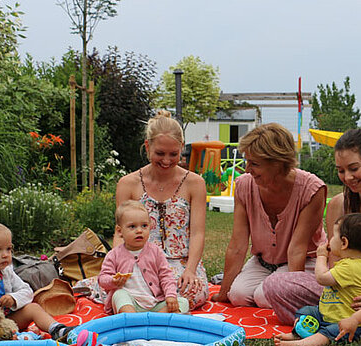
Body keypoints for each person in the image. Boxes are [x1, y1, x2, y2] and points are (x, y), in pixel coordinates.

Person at [263, 129, 361, 337]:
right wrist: (341, 293)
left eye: (354, 168)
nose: (347, 177)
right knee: (276, 284)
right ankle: (349, 324)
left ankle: (334, 323)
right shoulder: (339, 205)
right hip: (338, 292)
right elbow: (333, 263)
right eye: (340, 170)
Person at [211, 123, 327, 307]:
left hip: (305, 261)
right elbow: (237, 245)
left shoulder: (312, 189)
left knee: (264, 296)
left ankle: (308, 289)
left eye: (255, 164)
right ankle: (266, 284)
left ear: (278, 163)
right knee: (238, 295)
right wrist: (224, 292)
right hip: (263, 262)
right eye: (247, 161)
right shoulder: (244, 185)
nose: (247, 169)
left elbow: (297, 249)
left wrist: (290, 292)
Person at [115, 110, 208, 310]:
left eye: (174, 154)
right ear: (147, 146)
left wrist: (191, 270)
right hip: (137, 259)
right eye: (160, 153)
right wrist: (118, 265)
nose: (166, 160)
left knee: (189, 291)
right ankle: (160, 311)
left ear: (182, 148)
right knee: (123, 288)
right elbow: (120, 232)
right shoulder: (128, 183)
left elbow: (198, 233)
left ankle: (142, 310)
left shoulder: (195, 183)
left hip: (181, 263)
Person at [274, 213, 361, 346]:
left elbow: (322, 278)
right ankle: (297, 334)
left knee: (328, 333)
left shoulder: (351, 267)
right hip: (328, 314)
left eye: (333, 236)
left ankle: (297, 345)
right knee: (306, 311)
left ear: (344, 243)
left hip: (346, 322)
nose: (330, 240)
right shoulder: (347, 264)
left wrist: (321, 256)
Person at [98, 201, 183, 314]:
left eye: (144, 226)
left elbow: (166, 276)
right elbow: (102, 279)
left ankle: (153, 319)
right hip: (131, 304)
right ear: (119, 231)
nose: (139, 230)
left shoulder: (156, 252)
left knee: (182, 302)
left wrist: (170, 296)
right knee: (119, 294)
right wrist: (113, 281)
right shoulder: (114, 254)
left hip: (155, 303)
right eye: (132, 226)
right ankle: (136, 319)